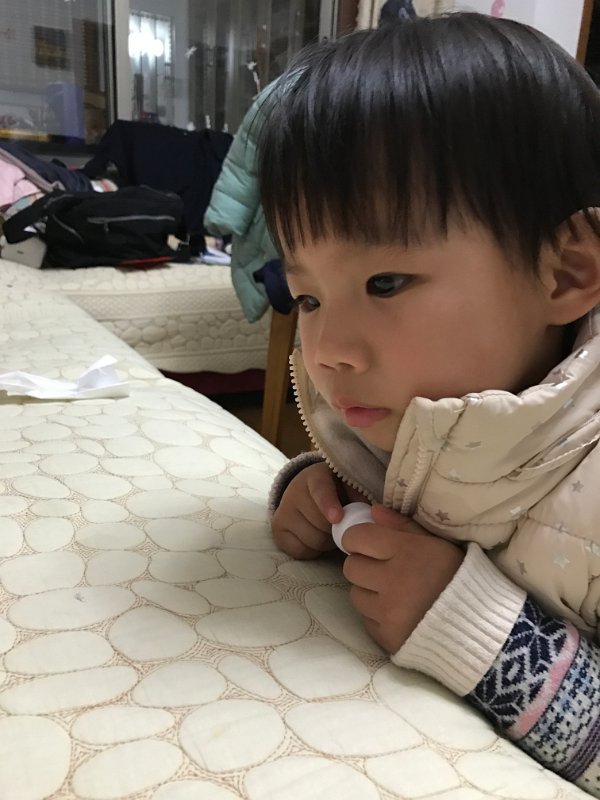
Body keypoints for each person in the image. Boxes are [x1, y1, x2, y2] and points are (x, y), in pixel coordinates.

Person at [257, 13, 600, 796]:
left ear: (565, 273)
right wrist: (323, 490)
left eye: (384, 283)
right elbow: (399, 476)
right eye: (308, 297)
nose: (326, 349)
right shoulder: (416, 401)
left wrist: (468, 622)